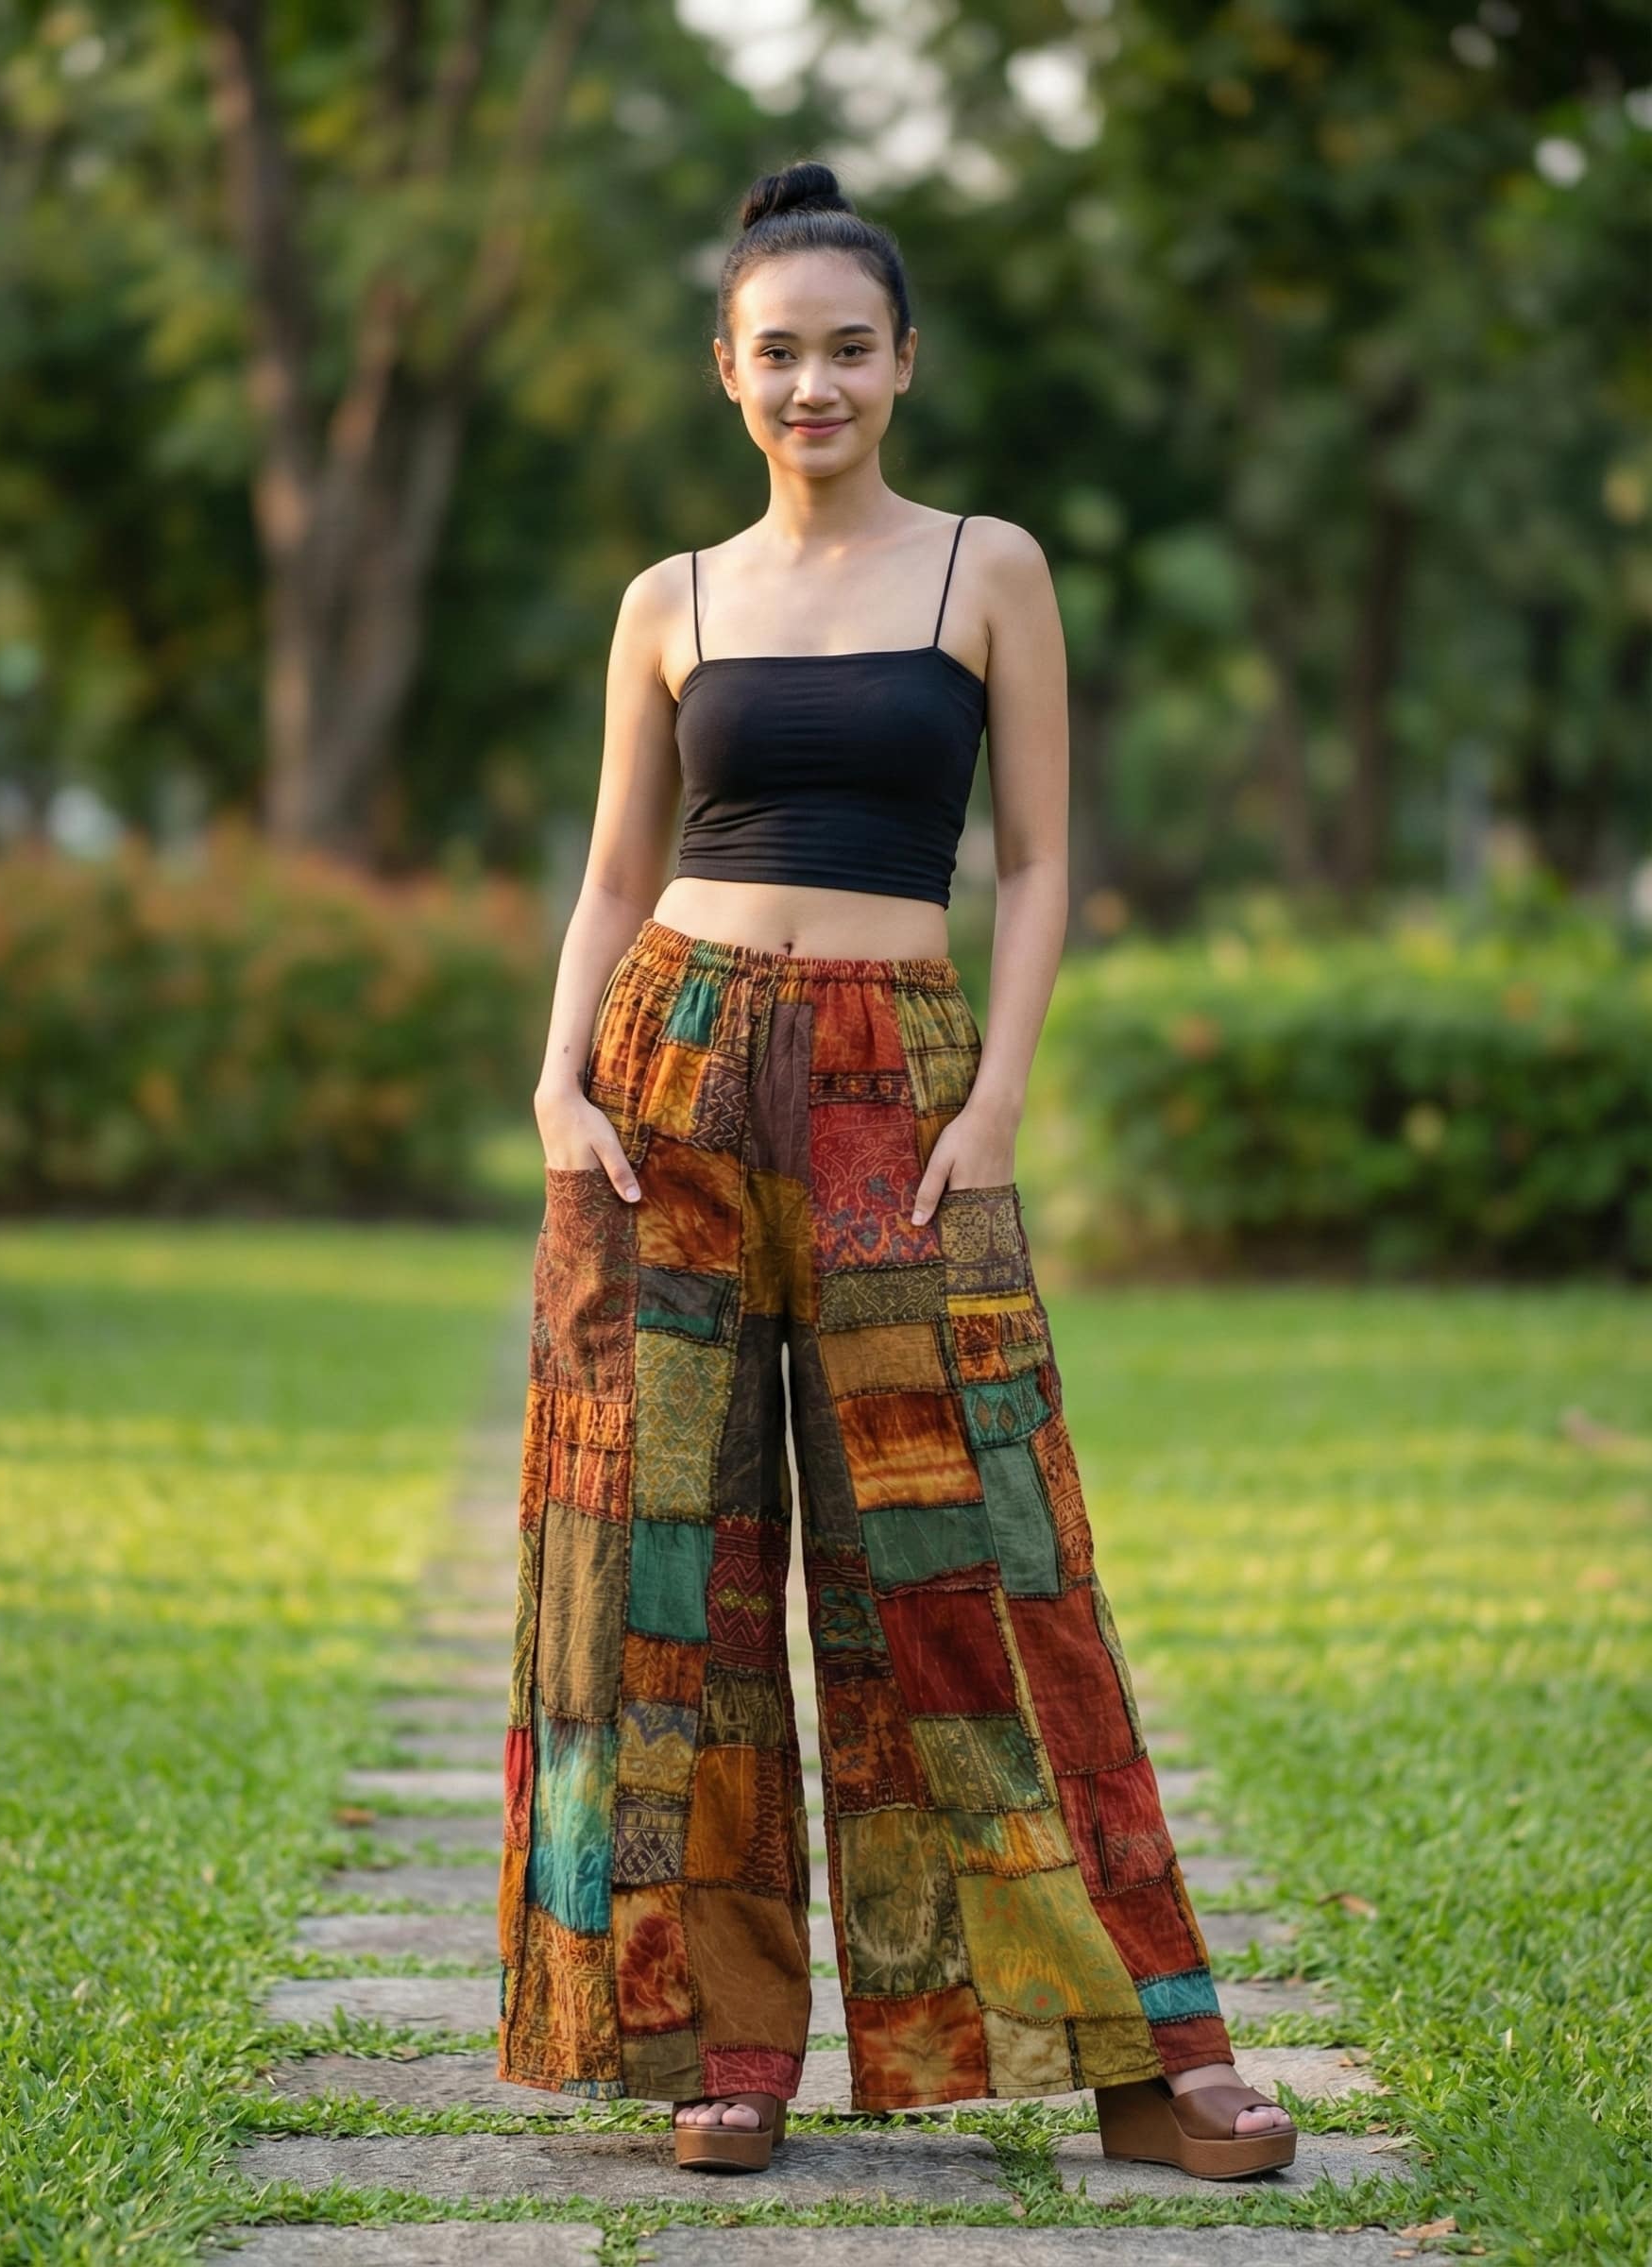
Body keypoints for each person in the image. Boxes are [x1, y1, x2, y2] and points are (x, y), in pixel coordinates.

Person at [495, 157, 1298, 2182]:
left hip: (894, 1083)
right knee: (657, 1567)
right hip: (662, 1078)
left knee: (979, 1562)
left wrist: (997, 1101)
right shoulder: (666, 601)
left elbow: (1034, 863)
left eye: (847, 350)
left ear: (902, 363)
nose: (812, 385)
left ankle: (1139, 2048)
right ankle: (710, 2047)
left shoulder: (982, 570)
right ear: (725, 371)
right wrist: (552, 1085)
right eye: (776, 353)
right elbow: (607, 878)